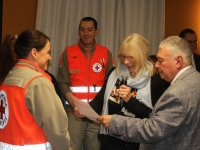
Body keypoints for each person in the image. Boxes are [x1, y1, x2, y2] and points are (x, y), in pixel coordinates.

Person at [97, 36, 200, 150]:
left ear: (178, 61)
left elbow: (154, 129)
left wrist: (115, 122)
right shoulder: (196, 79)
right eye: (123, 57)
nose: (156, 65)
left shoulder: (175, 92)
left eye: (160, 61)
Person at [89, 33, 169, 150]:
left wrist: (130, 101)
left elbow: (154, 117)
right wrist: (83, 109)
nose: (126, 62)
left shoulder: (155, 80)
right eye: (123, 56)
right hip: (110, 140)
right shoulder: (115, 73)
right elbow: (100, 100)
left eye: (130, 57)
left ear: (142, 55)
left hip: (135, 144)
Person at [0, 29, 71, 150]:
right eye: (48, 52)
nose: (50, 57)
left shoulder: (7, 77)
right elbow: (56, 127)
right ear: (34, 53)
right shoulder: (38, 82)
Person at [57, 17, 113, 150]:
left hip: (97, 114)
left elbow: (110, 84)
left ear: (96, 32)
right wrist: (76, 107)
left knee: (95, 147)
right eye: (82, 30)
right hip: (74, 113)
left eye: (89, 30)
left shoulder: (106, 53)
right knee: (71, 147)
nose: (85, 33)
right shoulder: (68, 53)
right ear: (78, 32)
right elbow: (63, 83)